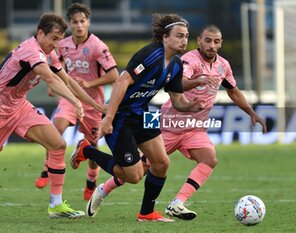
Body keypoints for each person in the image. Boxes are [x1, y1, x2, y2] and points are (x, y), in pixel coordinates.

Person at [84, 24, 268, 220]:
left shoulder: (223, 65)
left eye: (216, 42)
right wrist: (200, 80)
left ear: (221, 43)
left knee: (208, 159)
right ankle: (103, 189)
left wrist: (251, 112)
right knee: (140, 170)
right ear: (199, 41)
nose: (212, 45)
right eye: (207, 40)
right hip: (169, 123)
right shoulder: (187, 60)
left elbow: (233, 90)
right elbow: (179, 84)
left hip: (195, 127)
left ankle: (176, 203)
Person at [69, 13, 203, 222]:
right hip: (121, 117)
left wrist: (191, 106)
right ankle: (87, 150)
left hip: (144, 113)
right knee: (133, 176)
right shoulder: (150, 54)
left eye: (186, 36)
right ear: (165, 37)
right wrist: (108, 117)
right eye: (179, 35)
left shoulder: (176, 64)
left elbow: (177, 99)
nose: (184, 40)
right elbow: (122, 81)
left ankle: (146, 213)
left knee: (161, 163)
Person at [0, 13, 104, 218]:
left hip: (18, 107)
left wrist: (93, 104)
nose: (56, 45)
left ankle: (55, 205)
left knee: (57, 144)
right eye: (54, 39)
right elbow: (51, 79)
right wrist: (74, 102)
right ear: (40, 33)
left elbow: (68, 80)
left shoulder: (48, 53)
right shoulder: (32, 51)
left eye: (59, 39)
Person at [34, 3, 118, 202]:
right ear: (70, 24)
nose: (79, 25)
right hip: (69, 97)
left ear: (88, 22)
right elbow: (58, 60)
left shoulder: (98, 46)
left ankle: (91, 180)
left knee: (93, 144)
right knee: (56, 128)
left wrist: (90, 82)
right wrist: (53, 80)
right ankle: (47, 170)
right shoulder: (63, 43)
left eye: (82, 21)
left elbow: (114, 75)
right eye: (75, 22)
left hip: (93, 101)